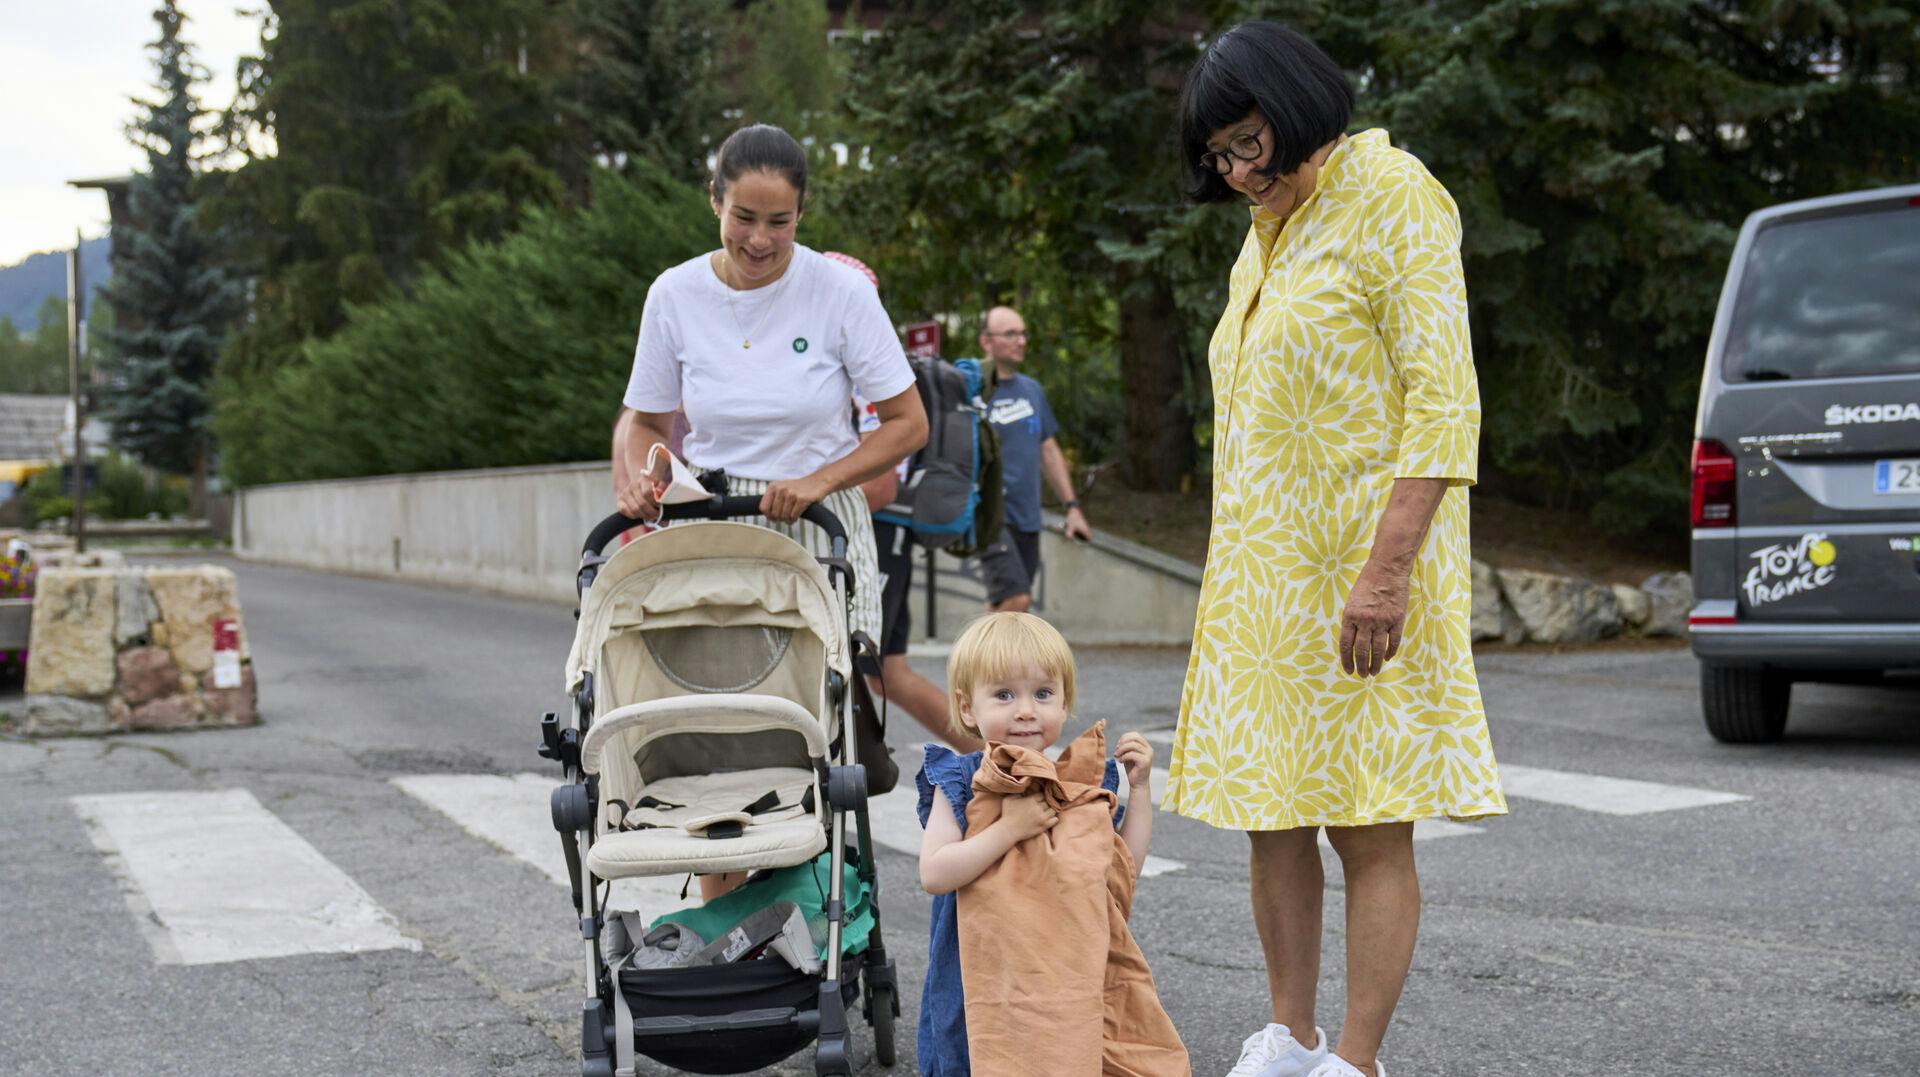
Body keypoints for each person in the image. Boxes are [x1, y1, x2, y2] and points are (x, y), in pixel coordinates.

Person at [1164, 22, 1507, 1077]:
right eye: (1218, 155)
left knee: (1367, 828)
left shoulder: (1394, 192)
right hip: (1265, 585)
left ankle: (1354, 1063)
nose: (1234, 172)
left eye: (1246, 142)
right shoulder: (1268, 230)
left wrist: (1388, 571)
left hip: (1366, 574)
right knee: (1272, 814)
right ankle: (1290, 1037)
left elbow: (1445, 403)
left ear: (1299, 106)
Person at [614, 123, 929, 896]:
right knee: (721, 714)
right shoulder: (675, 293)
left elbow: (907, 422)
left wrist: (821, 479)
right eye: (744, 218)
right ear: (714, 200)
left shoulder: (839, 292)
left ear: (802, 214)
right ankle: (727, 921)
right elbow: (645, 421)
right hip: (717, 512)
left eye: (779, 222)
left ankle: (811, 899)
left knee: (811, 711)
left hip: (815, 512)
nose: (760, 239)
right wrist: (637, 475)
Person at [915, 612, 1185, 1075]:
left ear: (1065, 703)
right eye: (1003, 695)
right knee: (977, 1052)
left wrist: (1139, 794)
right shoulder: (961, 779)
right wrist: (1007, 830)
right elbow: (935, 873)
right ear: (966, 708)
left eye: (1043, 694)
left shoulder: (1080, 782)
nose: (1025, 710)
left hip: (1066, 965)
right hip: (982, 967)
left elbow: (1120, 868)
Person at [973, 306, 1092, 613]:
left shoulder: (1032, 390)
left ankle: (980, 661)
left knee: (1004, 603)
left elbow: (1048, 450)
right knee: (1017, 598)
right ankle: (989, 662)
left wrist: (1072, 508)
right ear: (986, 341)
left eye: (1023, 333)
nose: (1021, 341)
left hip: (1027, 516)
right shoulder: (971, 390)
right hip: (989, 515)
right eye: (1010, 334)